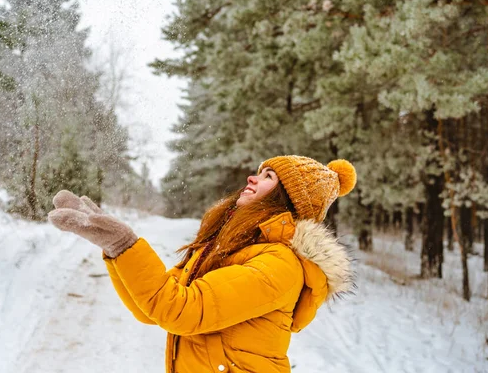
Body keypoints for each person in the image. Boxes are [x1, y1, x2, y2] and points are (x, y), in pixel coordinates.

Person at [48, 155, 357, 373]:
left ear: (286, 200)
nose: (252, 178)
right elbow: (151, 311)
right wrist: (115, 251)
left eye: (268, 177)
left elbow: (181, 311)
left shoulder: (279, 264)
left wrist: (124, 244)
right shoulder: (228, 245)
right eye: (258, 172)